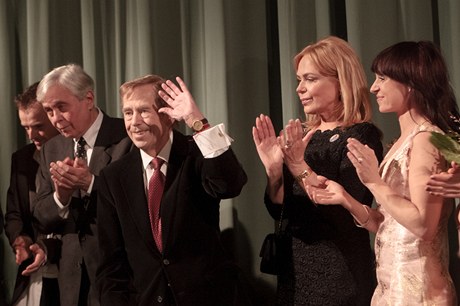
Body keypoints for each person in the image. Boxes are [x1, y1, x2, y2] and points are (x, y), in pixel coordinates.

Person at [307, 41, 458, 305]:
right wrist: (346, 199)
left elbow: (423, 226)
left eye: (382, 78)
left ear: (410, 83)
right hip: (392, 290)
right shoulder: (403, 141)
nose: (374, 87)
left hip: (418, 293)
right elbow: (389, 225)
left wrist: (375, 183)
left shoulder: (426, 139)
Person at [96, 75, 249, 306]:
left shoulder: (197, 153)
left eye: (144, 111)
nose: (134, 122)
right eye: (128, 113)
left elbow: (231, 184)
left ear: (168, 114)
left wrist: (198, 121)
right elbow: (110, 264)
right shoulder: (113, 176)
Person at [252, 36, 383, 305]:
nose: (299, 88)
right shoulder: (302, 134)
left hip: (338, 277)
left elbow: (346, 220)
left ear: (340, 81)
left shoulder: (359, 136)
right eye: (299, 80)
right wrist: (274, 171)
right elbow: (281, 212)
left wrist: (299, 166)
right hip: (294, 275)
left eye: (310, 79)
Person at [32, 64, 131, 306]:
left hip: (121, 276)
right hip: (72, 281)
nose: (55, 119)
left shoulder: (127, 136)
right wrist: (61, 197)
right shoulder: (51, 149)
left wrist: (92, 183)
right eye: (49, 110)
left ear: (88, 99)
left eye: (61, 107)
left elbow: (140, 204)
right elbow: (40, 214)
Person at [5, 82, 61, 306]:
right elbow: (14, 214)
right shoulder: (21, 159)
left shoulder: (79, 152)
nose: (32, 135)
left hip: (73, 272)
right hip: (33, 277)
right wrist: (21, 239)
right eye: (25, 128)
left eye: (38, 126)